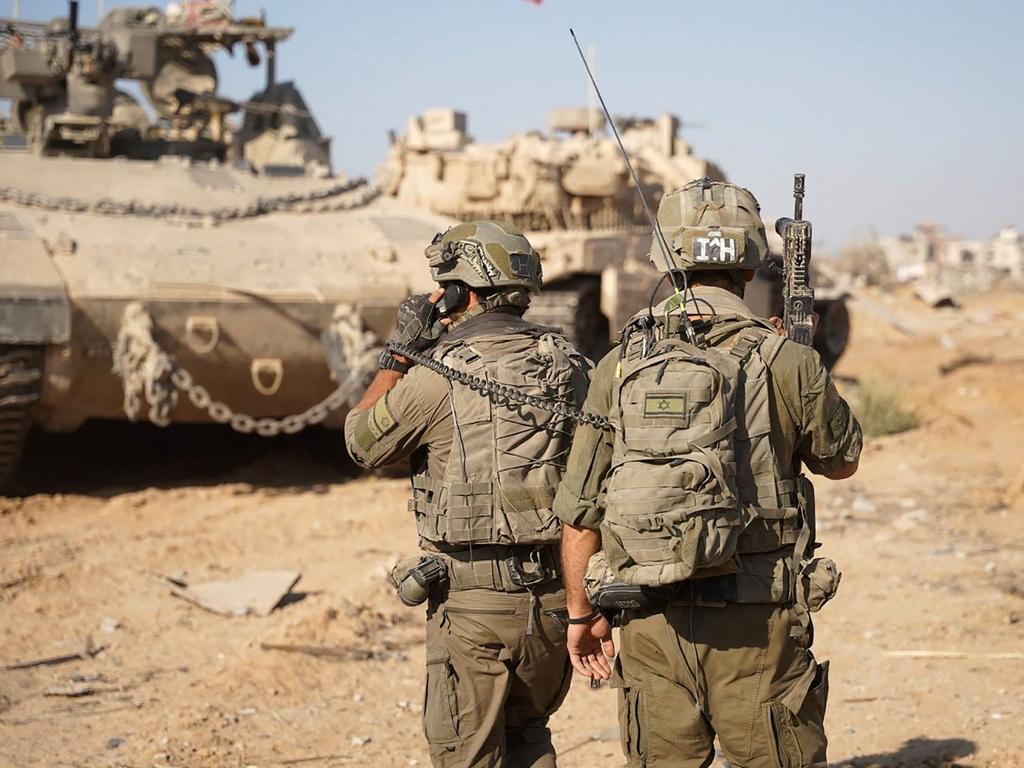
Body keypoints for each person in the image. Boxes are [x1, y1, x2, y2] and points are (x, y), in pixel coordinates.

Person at [553, 179, 863, 768]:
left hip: (649, 616)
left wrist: (581, 614)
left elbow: (580, 509)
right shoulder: (787, 360)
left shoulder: (620, 365)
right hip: (759, 625)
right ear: (749, 268)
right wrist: (803, 358)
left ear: (665, 260)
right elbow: (842, 460)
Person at [345, 220, 591, 768]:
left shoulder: (437, 377)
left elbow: (363, 444)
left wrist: (399, 354)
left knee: (468, 754)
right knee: (530, 739)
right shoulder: (573, 366)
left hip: (473, 605)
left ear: (460, 293)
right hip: (553, 601)